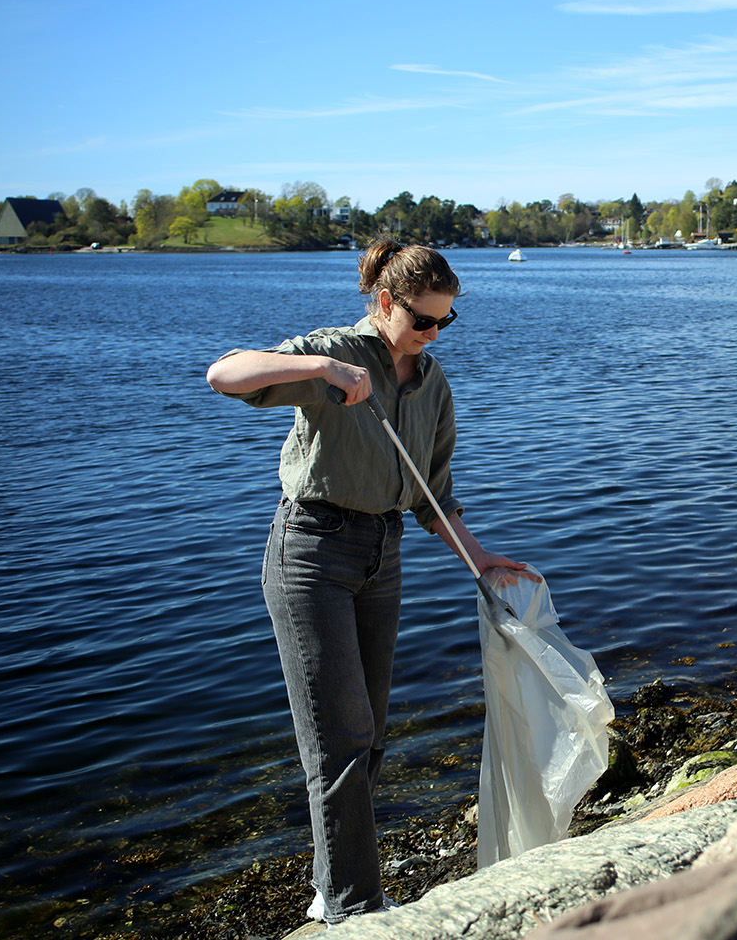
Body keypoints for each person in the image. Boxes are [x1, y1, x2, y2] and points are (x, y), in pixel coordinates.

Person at [206, 239, 529, 926]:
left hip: (384, 552)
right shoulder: (336, 356)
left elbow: (431, 496)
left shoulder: (432, 382)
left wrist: (484, 563)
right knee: (341, 737)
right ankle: (356, 908)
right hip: (312, 553)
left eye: (445, 322)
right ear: (384, 302)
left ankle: (333, 884)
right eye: (422, 319)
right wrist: (320, 367)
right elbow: (225, 374)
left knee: (371, 732)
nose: (434, 334)